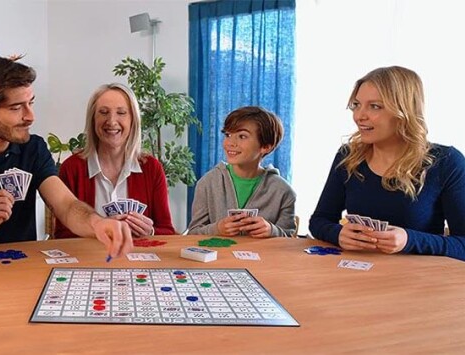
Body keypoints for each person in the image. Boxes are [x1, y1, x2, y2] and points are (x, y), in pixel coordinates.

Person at [0, 53, 132, 257]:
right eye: (16, 107)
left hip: (22, 268)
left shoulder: (34, 148)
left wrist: (97, 223)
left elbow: (66, 205)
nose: (30, 116)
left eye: (31, 103)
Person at [309, 66, 465, 260]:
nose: (359, 116)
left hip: (420, 281)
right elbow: (319, 220)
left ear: (404, 111)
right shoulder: (347, 156)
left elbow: (462, 244)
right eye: (356, 105)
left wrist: (409, 239)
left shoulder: (447, 161)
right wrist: (337, 234)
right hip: (356, 275)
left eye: (375, 106)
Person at [55, 83, 175, 238]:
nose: (111, 121)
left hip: (138, 260)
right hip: (89, 260)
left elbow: (168, 232)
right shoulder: (71, 169)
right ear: (93, 120)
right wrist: (96, 229)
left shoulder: (151, 168)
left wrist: (150, 232)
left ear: (133, 120)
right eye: (103, 112)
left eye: (121, 113)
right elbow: (62, 236)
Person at [188, 106, 296, 237]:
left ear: (266, 146)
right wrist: (217, 229)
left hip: (264, 257)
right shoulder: (207, 183)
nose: (230, 143)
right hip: (220, 257)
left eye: (242, 136)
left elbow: (289, 240)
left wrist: (272, 231)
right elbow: (193, 234)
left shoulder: (284, 192)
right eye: (228, 135)